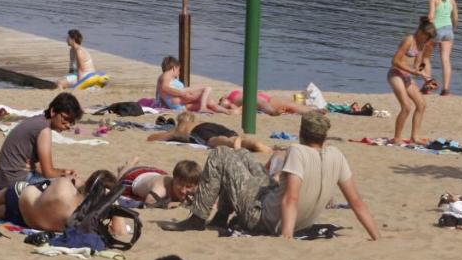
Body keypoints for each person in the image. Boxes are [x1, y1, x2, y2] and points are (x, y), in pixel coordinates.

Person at [165, 111, 380, 240]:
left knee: (221, 154)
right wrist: (375, 235)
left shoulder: (298, 152)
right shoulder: (337, 155)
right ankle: (221, 216)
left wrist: (285, 236)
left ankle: (197, 218)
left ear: (302, 131)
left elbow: (291, 198)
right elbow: (357, 202)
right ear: (324, 136)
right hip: (289, 213)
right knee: (241, 156)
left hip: (264, 218)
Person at [0, 170, 118, 232]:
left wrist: (73, 180)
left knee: (10, 192)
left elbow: (45, 186)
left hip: (21, 202)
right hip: (26, 221)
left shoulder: (66, 185)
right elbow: (120, 232)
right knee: (2, 212)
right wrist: (114, 203)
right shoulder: (88, 219)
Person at [0, 92, 83, 189]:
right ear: (53, 111)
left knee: (68, 180)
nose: (68, 125)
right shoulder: (44, 129)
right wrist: (65, 176)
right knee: (76, 183)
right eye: (65, 119)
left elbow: (39, 167)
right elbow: (48, 172)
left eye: (71, 122)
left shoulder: (38, 121)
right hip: (15, 182)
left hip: (4, 180)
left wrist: (63, 172)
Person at [387, 16, 438, 145]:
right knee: (406, 107)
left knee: (421, 105)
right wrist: (413, 72)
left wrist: (427, 78)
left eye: (430, 38)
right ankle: (397, 138)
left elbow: (417, 67)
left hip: (406, 76)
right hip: (395, 74)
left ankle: (414, 137)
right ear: (421, 32)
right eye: (427, 36)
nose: (428, 40)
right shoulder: (409, 40)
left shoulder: (421, 45)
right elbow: (395, 61)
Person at [147, 111, 272, 155]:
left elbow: (153, 138)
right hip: (214, 126)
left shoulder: (179, 127)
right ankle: (254, 144)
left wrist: (168, 133)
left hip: (200, 132)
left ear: (180, 119)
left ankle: (232, 142)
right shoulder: (201, 121)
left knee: (214, 140)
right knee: (235, 136)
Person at [117, 158, 201, 207]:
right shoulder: (160, 190)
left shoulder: (193, 183)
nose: (183, 190)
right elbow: (149, 203)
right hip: (134, 178)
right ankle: (129, 164)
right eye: (180, 185)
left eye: (188, 187)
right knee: (119, 180)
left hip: (157, 174)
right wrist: (174, 204)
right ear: (174, 179)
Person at [156, 56, 227, 112]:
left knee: (209, 103)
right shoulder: (166, 74)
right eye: (179, 70)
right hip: (181, 100)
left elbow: (159, 93)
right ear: (174, 68)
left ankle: (228, 111)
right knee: (207, 89)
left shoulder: (162, 78)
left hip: (181, 106)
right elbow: (164, 87)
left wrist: (163, 104)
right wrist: (181, 93)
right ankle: (203, 108)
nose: (179, 72)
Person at [427, 0, 458, 95]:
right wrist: (453, 28)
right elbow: (455, 17)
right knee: (445, 60)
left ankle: (429, 86)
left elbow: (431, 17)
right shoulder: (451, 0)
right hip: (448, 30)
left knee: (425, 58)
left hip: (436, 30)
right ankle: (445, 89)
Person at [217, 88, 318, 116]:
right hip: (262, 99)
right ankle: (313, 112)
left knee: (291, 104)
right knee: (291, 105)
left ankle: (313, 110)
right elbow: (236, 111)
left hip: (263, 97)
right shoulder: (231, 102)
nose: (221, 100)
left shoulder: (230, 97)